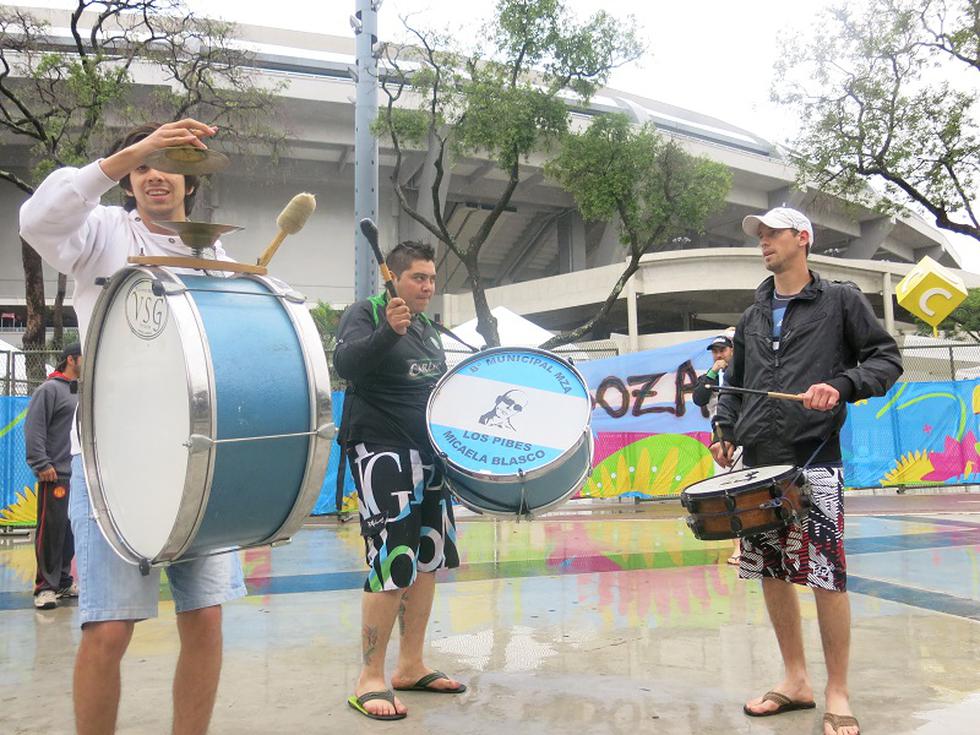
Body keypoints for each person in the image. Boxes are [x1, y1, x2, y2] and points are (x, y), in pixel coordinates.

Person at [19, 119, 246, 735]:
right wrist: (133, 151)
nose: (154, 175)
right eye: (143, 165)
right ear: (127, 178)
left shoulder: (218, 256)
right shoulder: (98, 232)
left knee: (206, 618)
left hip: (199, 459)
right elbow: (36, 220)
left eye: (168, 164)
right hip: (110, 460)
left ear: (191, 182)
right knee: (108, 627)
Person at [711, 206, 902, 735]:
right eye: (760, 234)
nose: (763, 241)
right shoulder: (752, 315)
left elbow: (885, 359)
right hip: (758, 463)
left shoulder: (840, 300)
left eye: (773, 232)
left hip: (815, 457)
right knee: (772, 573)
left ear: (803, 238)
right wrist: (724, 431)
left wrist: (841, 385)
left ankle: (837, 691)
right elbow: (734, 386)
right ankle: (795, 681)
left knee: (825, 575)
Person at [334, 241, 464, 721]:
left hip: (429, 452)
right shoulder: (366, 313)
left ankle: (411, 666)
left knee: (427, 559)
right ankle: (370, 677)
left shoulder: (428, 327)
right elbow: (346, 366)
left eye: (431, 278)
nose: (427, 286)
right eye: (418, 278)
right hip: (381, 449)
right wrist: (388, 331)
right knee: (392, 561)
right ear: (393, 278)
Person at [25, 342, 82, 610]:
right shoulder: (49, 390)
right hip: (54, 473)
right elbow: (34, 429)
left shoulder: (81, 391)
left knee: (70, 530)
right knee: (51, 530)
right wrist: (41, 463)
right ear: (71, 359)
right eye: (84, 357)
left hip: (79, 474)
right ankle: (45, 587)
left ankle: (62, 580)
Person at [692, 334, 741, 565]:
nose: (719, 355)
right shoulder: (709, 378)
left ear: (732, 350)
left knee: (746, 492)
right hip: (720, 439)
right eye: (715, 351)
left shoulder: (741, 373)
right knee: (727, 494)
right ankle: (738, 547)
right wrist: (713, 371)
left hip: (744, 437)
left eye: (723, 350)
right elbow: (698, 398)